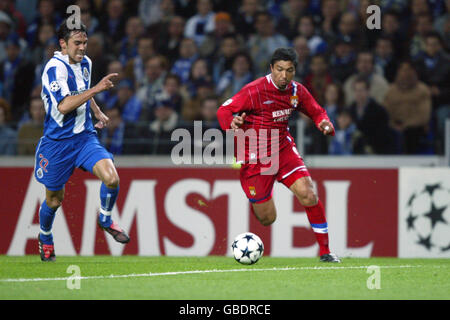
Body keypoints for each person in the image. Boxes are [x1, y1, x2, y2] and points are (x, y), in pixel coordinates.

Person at [216, 48, 340, 263]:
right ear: (271, 68)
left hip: (282, 149)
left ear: (294, 71)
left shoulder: (296, 91)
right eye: (280, 70)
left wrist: (323, 122)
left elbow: (316, 110)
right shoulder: (254, 90)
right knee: (267, 218)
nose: (284, 75)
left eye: (289, 70)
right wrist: (232, 122)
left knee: (308, 194)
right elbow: (224, 111)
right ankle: (257, 198)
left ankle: (326, 252)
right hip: (257, 157)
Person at [35, 20, 130, 262]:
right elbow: (65, 105)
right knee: (54, 200)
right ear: (63, 44)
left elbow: (82, 90)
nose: (82, 48)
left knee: (112, 178)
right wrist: (97, 90)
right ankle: (45, 236)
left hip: (84, 137)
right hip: (57, 143)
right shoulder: (54, 69)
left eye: (85, 42)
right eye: (77, 43)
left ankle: (106, 219)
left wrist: (96, 111)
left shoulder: (85, 63)